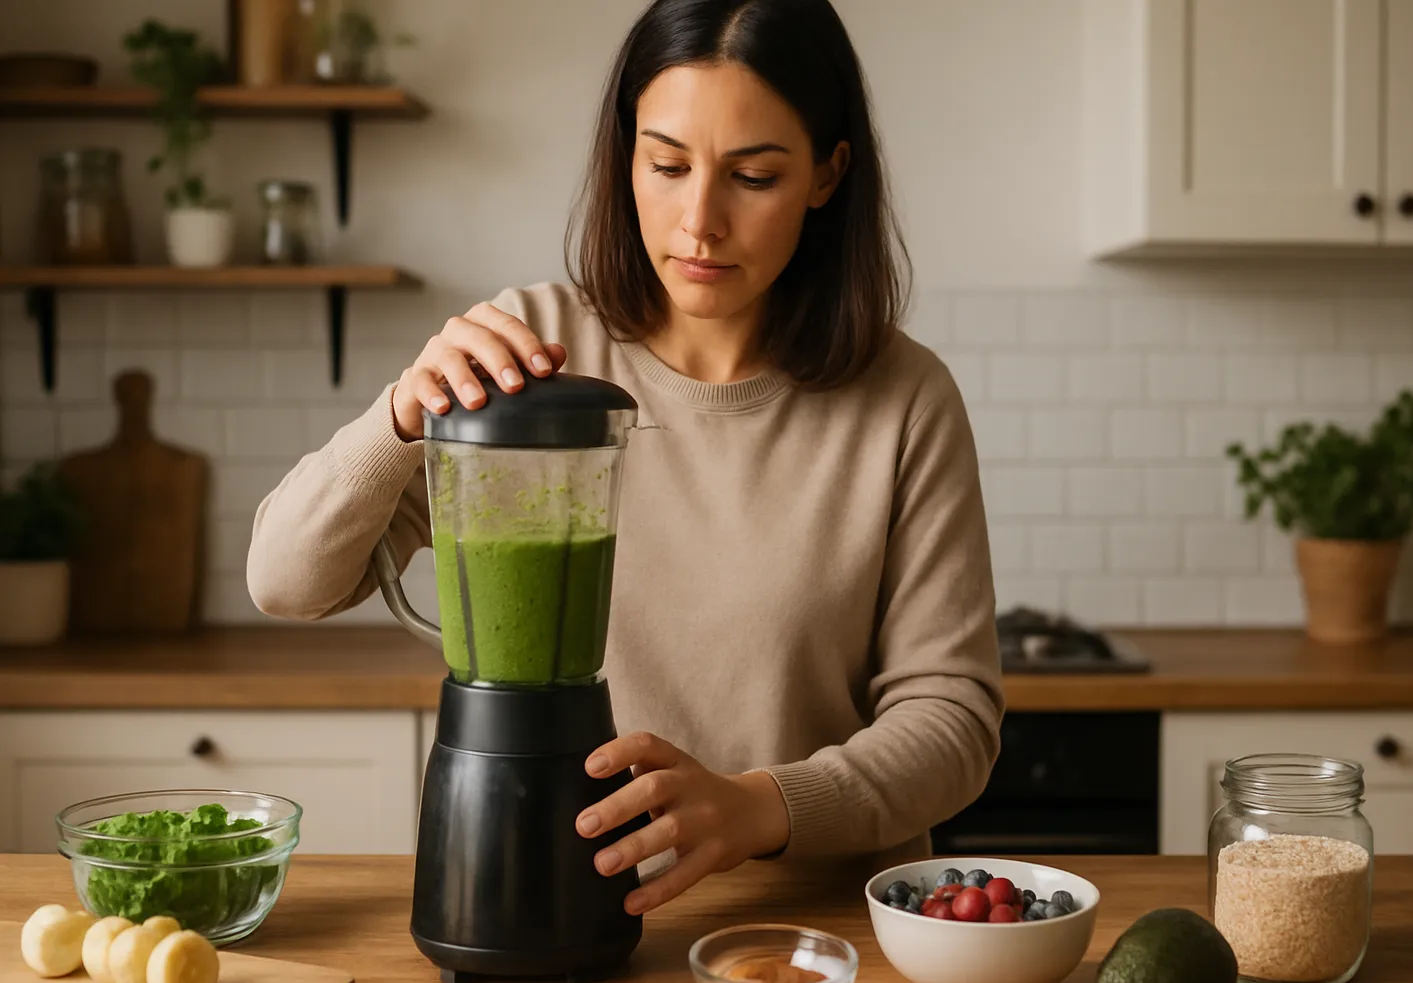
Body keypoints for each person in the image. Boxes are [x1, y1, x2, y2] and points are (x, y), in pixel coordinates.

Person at [248, 0, 1001, 916]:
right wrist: (398, 419)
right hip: (560, 900)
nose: (700, 221)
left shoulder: (903, 397)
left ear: (826, 175)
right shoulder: (528, 357)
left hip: (822, 932)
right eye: (667, 164)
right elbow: (285, 583)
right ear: (625, 157)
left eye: (753, 176)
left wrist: (758, 807)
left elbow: (952, 723)